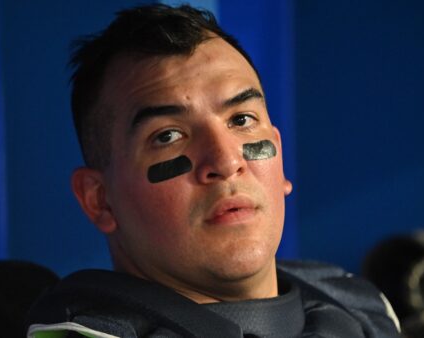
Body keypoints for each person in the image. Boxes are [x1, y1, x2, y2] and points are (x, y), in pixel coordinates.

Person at [27, 4, 400, 337]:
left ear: (279, 157)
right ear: (100, 200)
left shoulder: (361, 305)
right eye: (169, 135)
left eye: (241, 119)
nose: (225, 161)